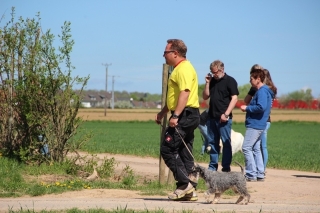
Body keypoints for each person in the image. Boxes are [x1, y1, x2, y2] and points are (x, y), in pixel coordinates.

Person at [155, 39, 200, 201]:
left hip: (185, 115)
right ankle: (190, 190)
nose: (163, 55)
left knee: (167, 149)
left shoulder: (183, 69)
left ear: (175, 53)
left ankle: (183, 184)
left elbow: (184, 93)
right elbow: (174, 97)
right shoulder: (179, 68)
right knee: (183, 150)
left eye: (166, 52)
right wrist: (163, 112)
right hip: (187, 114)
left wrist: (175, 116)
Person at [202, 60, 239, 172]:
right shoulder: (212, 81)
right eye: (212, 72)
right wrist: (207, 82)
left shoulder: (230, 81)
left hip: (224, 118)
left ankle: (226, 168)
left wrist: (226, 114)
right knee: (212, 143)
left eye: (215, 72)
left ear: (222, 69)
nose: (214, 74)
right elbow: (205, 96)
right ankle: (213, 167)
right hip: (212, 117)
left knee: (226, 143)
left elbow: (234, 98)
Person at [240, 68, 274, 182]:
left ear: (258, 79)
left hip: (255, 124)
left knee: (246, 147)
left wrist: (247, 108)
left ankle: (250, 174)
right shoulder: (264, 91)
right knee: (256, 148)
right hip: (259, 124)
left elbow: (261, 107)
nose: (250, 81)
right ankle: (259, 173)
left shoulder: (262, 91)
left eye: (251, 79)